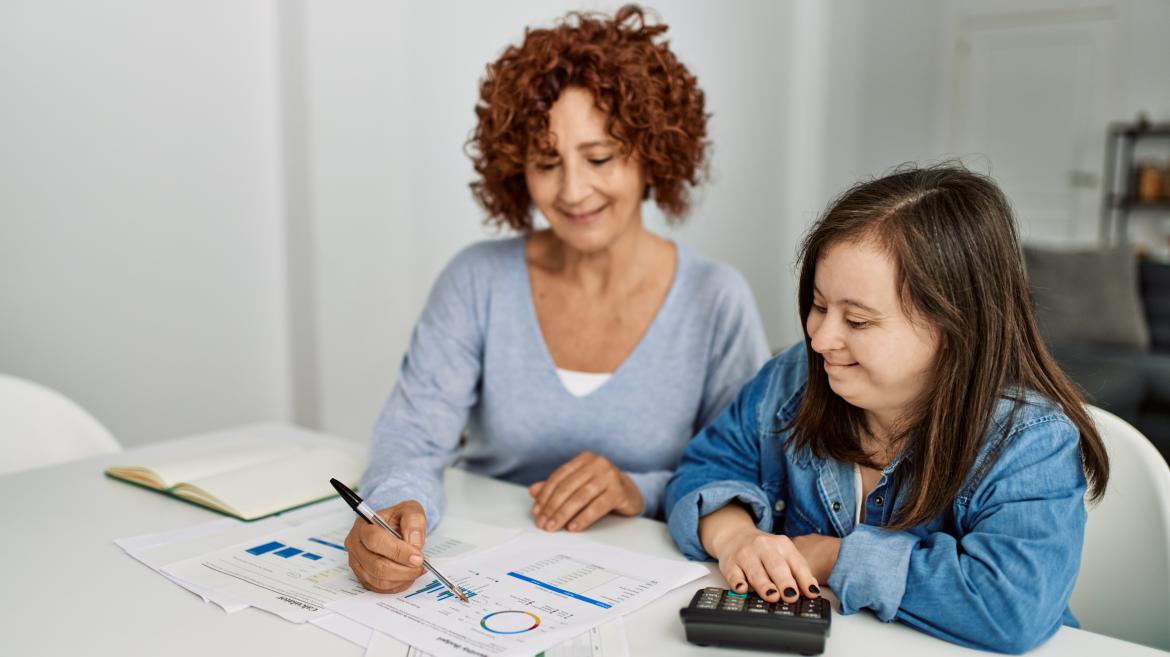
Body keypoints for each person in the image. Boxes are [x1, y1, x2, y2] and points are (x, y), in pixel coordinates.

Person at [345, 5, 770, 594]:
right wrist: (392, 508)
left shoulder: (714, 298)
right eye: (547, 163)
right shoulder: (477, 281)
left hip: (649, 582)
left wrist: (634, 489)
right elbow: (411, 438)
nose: (573, 190)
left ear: (652, 153)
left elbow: (746, 472)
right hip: (479, 569)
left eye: (599, 159)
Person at [664, 165, 1110, 653]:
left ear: (952, 328)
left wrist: (834, 558)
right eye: (818, 305)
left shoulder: (1031, 442)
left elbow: (1011, 606)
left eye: (857, 320)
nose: (820, 338)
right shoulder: (792, 378)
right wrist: (734, 537)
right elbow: (707, 466)